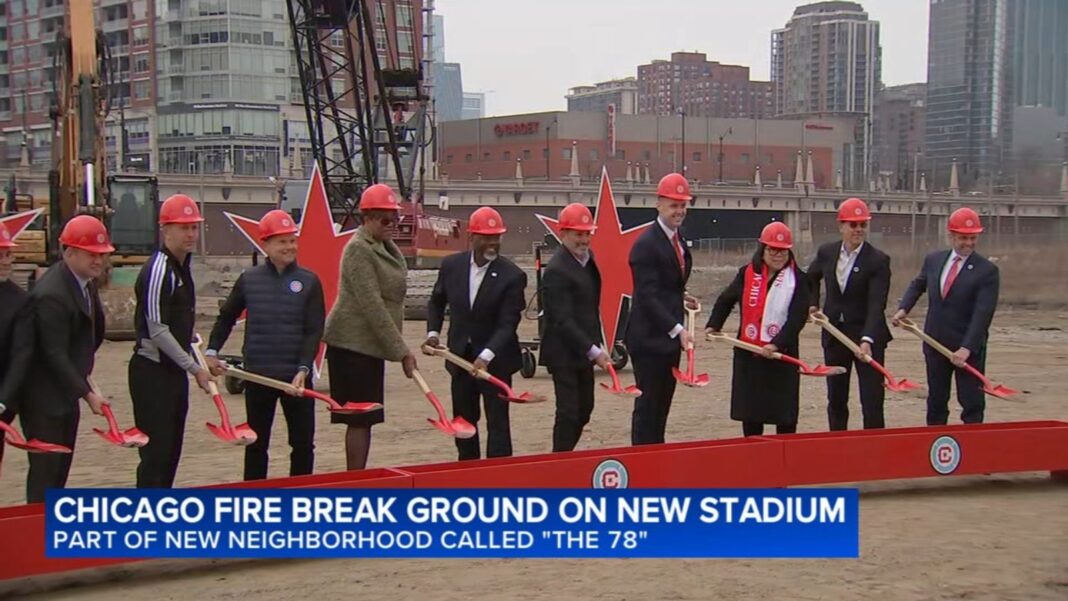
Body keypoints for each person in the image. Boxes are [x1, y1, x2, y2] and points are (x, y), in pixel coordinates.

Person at [205, 209, 325, 479]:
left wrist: (304, 368)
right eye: (282, 241)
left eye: (292, 240)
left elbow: (313, 330)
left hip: (296, 380)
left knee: (303, 445)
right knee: (256, 444)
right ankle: (255, 501)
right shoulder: (250, 280)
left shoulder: (309, 281)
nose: (289, 246)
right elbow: (226, 317)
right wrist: (211, 351)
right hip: (257, 376)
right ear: (265, 244)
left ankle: (300, 500)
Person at [323, 184, 416, 470]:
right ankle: (356, 481)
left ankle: (359, 476)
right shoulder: (358, 251)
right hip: (351, 346)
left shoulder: (383, 246)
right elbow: (371, 305)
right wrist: (401, 351)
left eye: (395, 218)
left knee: (369, 416)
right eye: (387, 220)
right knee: (360, 417)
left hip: (370, 346)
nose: (393, 225)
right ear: (368, 218)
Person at [19, 216, 112, 502]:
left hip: (64, 395)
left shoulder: (85, 283)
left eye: (101, 255)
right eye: (91, 254)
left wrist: (84, 378)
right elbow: (54, 353)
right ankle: (35, 532)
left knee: (59, 475)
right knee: (46, 476)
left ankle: (50, 531)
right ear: (69, 252)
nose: (98, 261)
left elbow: (88, 337)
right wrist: (86, 393)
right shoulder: (52, 295)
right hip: (43, 401)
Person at [424, 207, 527, 460]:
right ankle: (467, 471)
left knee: (498, 424)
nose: (492, 242)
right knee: (464, 422)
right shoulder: (452, 266)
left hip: (496, 363)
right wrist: (433, 333)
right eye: (486, 237)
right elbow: (437, 301)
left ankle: (498, 477)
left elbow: (508, 323)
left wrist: (486, 356)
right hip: (460, 359)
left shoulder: (512, 276)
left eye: (496, 237)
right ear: (472, 237)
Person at [129, 194, 213, 489]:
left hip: (173, 372)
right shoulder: (158, 268)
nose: (190, 234)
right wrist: (195, 368)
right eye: (183, 227)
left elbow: (179, 323)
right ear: (165, 229)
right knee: (156, 455)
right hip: (152, 373)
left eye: (194, 227)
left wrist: (194, 346)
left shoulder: (183, 267)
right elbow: (156, 329)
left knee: (171, 453)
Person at [893, 207, 999, 425]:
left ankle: (972, 449)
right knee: (937, 401)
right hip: (935, 343)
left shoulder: (987, 271)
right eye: (963, 238)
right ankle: (936, 447)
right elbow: (918, 284)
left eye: (973, 238)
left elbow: (983, 313)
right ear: (951, 235)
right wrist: (904, 308)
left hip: (967, 350)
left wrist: (966, 348)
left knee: (971, 403)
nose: (968, 243)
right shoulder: (934, 260)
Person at [705, 223, 809, 436]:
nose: (778, 255)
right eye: (773, 249)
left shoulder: (799, 280)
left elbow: (797, 319)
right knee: (751, 416)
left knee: (784, 417)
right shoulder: (747, 274)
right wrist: (714, 325)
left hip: (781, 357)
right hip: (749, 355)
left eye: (783, 250)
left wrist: (776, 344)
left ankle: (784, 460)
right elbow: (726, 300)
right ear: (763, 249)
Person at [806, 197, 892, 430]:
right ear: (841, 225)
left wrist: (867, 339)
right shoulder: (827, 252)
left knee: (872, 399)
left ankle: (873, 450)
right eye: (853, 225)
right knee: (836, 398)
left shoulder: (878, 260)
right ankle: (838, 446)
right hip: (835, 335)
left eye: (863, 224)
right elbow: (811, 277)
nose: (858, 230)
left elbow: (877, 304)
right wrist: (813, 304)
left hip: (868, 337)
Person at [625, 173, 697, 446]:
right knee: (648, 407)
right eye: (673, 205)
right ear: (659, 205)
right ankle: (642, 460)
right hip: (648, 339)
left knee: (662, 404)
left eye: (683, 205)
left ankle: (657, 454)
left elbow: (668, 285)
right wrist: (677, 329)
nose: (679, 211)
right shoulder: (646, 245)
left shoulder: (678, 240)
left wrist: (682, 297)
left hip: (668, 339)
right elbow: (647, 295)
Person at [539, 203, 610, 452]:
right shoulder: (557, 270)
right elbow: (562, 319)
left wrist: (597, 344)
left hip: (584, 349)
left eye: (587, 233)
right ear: (564, 234)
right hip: (563, 353)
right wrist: (594, 350)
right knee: (569, 411)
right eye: (578, 234)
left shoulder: (588, 262)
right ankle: (559, 461)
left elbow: (589, 310)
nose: (584, 239)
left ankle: (565, 455)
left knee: (585, 409)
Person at [0, 224, 34, 466]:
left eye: (7, 254)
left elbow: (21, 356)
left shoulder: (20, 303)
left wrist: (3, 402)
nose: (5, 261)